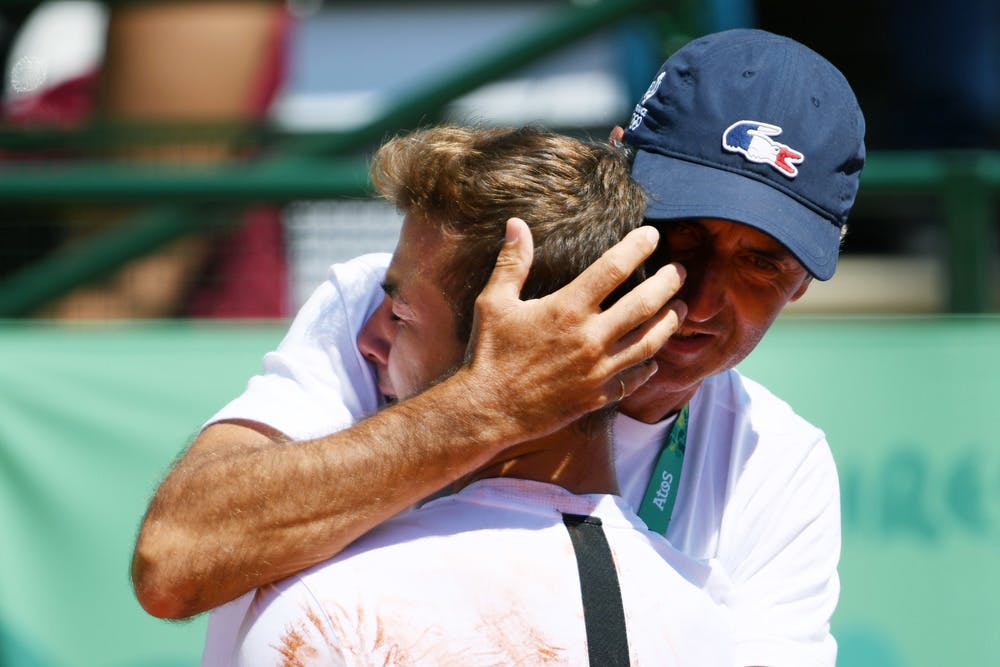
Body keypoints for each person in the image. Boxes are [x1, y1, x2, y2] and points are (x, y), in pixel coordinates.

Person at [133, 28, 866, 667]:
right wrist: (486, 405)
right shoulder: (396, 307)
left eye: (763, 262)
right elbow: (174, 559)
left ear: (805, 278)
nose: (703, 298)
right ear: (616, 179)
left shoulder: (777, 460)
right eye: (682, 235)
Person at [219, 124, 732, 666]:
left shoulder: (327, 615)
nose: (368, 339)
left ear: (512, 354)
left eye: (400, 314)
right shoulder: (707, 627)